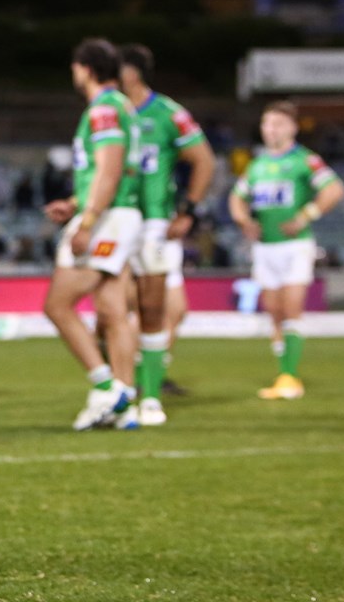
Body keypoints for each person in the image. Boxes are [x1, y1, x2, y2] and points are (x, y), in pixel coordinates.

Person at [42, 38, 142, 431]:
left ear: (84, 68)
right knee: (113, 313)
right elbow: (107, 172)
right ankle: (126, 403)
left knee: (57, 305)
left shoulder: (102, 108)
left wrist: (86, 221)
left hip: (109, 219)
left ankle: (106, 387)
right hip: (118, 213)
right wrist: (75, 202)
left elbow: (109, 168)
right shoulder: (124, 107)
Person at [117, 43, 217, 426]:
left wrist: (188, 210)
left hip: (155, 223)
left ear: (133, 72)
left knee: (171, 310)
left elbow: (203, 160)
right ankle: (128, 384)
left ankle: (142, 378)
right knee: (121, 308)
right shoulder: (108, 113)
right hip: (117, 221)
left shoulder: (168, 114)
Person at [228, 101, 344, 400]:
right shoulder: (257, 165)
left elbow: (333, 189)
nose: (272, 129)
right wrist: (244, 221)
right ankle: (284, 371)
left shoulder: (304, 160)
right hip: (265, 247)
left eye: (279, 124)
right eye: (268, 124)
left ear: (292, 128)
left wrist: (306, 216)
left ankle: (290, 376)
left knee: (292, 307)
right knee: (275, 311)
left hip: (295, 245)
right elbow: (237, 198)